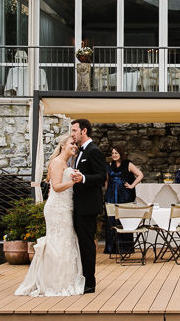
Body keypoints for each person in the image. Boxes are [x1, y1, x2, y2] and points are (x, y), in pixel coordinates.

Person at [15, 134, 86, 297]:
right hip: (56, 208)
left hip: (66, 207)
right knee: (57, 242)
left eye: (75, 144)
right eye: (71, 143)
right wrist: (73, 182)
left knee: (66, 241)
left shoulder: (67, 163)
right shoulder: (56, 162)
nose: (74, 146)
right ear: (63, 145)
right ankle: (52, 282)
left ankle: (65, 280)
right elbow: (57, 186)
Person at [69, 118, 107, 294]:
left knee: (87, 245)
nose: (72, 134)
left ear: (84, 131)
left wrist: (83, 178)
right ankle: (81, 278)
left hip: (88, 207)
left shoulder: (94, 151)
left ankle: (89, 283)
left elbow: (102, 177)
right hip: (78, 206)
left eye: (74, 130)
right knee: (81, 244)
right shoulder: (79, 152)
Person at [102, 145, 144, 254]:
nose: (114, 155)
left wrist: (132, 185)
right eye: (112, 153)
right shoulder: (109, 165)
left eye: (116, 153)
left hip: (124, 196)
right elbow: (106, 180)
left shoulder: (128, 164)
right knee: (111, 220)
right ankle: (112, 247)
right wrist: (108, 190)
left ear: (121, 154)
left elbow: (140, 175)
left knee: (124, 220)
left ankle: (125, 247)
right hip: (111, 195)